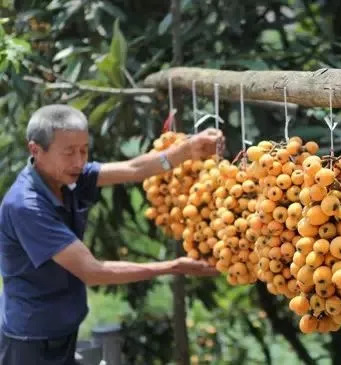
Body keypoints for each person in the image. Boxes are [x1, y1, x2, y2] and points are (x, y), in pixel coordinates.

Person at [0, 104, 223, 365]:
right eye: (69, 152)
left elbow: (133, 169)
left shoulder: (68, 177)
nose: (79, 161)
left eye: (84, 150)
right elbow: (93, 271)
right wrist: (173, 267)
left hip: (60, 327)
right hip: (31, 340)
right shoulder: (27, 206)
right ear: (35, 150)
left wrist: (186, 150)